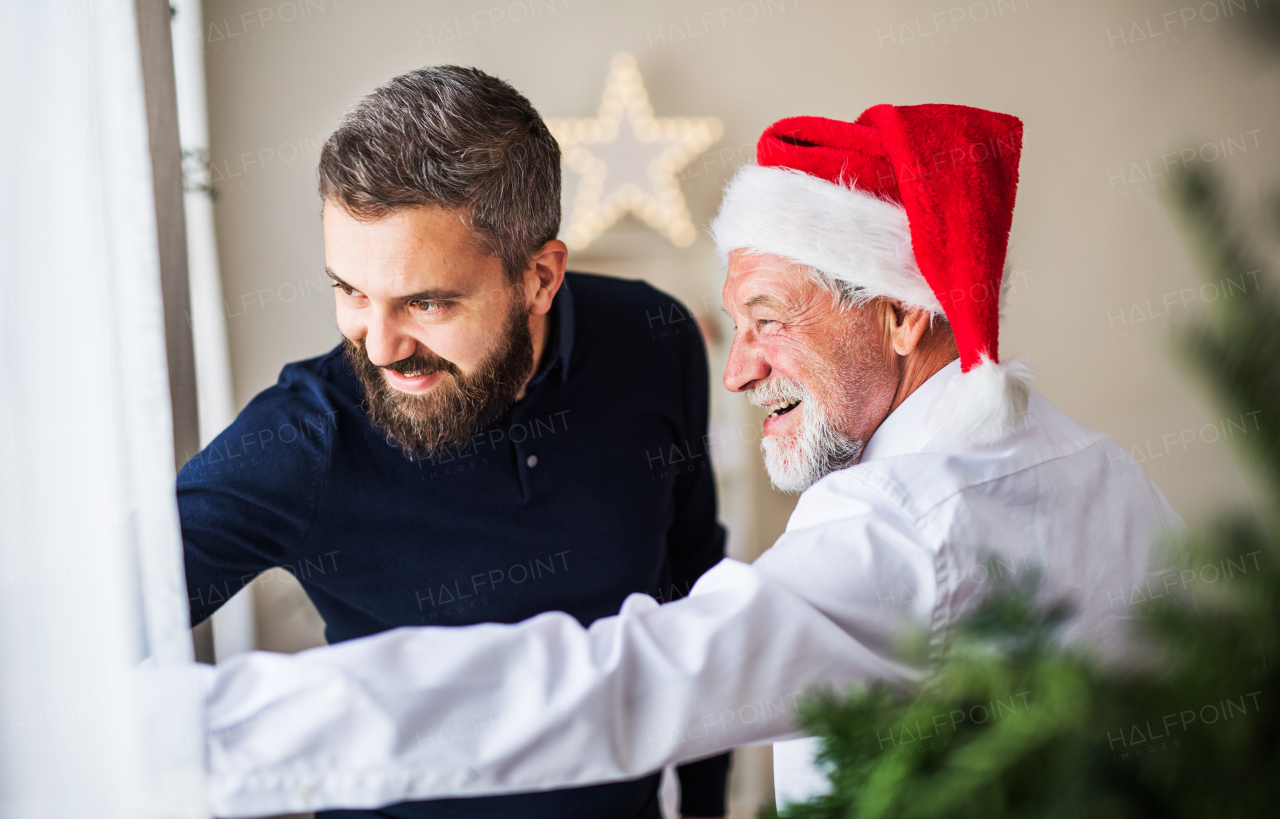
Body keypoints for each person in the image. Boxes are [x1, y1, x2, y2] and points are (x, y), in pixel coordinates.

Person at [180, 104, 1180, 818]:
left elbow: (623, 677)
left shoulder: (896, 530)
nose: (737, 370)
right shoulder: (1097, 466)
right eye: (347, 292)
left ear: (901, 311)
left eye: (766, 321)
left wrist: (189, 729)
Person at [176, 66, 731, 819]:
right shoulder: (302, 438)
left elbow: (696, 596)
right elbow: (77, 629)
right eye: (350, 292)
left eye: (426, 302)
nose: (378, 346)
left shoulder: (656, 338)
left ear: (539, 276)